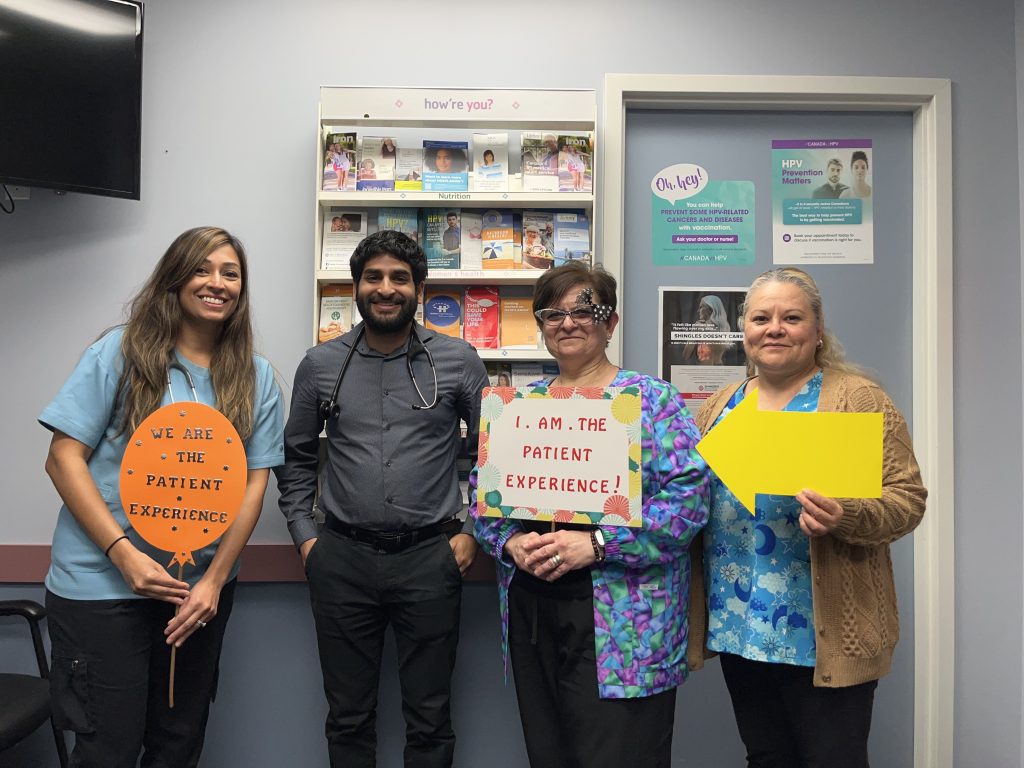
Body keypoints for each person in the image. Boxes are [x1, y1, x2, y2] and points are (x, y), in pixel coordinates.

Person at [39, 226, 285, 768]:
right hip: (101, 589)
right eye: (202, 269)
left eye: (231, 273)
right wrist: (122, 555)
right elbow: (63, 458)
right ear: (174, 278)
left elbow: (254, 485)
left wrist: (214, 581)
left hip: (194, 597)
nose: (217, 283)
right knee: (108, 749)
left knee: (177, 745)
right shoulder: (120, 353)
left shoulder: (256, 377)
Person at [687, 267, 927, 768]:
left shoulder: (856, 400)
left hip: (825, 635)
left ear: (818, 331)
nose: (774, 328)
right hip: (742, 629)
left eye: (791, 317)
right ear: (744, 330)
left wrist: (846, 515)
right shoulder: (718, 407)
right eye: (761, 317)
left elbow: (907, 500)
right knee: (767, 757)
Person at [473, 262, 710, 768]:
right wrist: (510, 544)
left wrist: (600, 545)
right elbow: (484, 493)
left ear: (612, 322)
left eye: (586, 311)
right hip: (535, 607)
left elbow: (689, 502)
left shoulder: (650, 401)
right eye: (553, 313)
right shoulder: (521, 404)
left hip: (623, 617)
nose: (568, 323)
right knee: (550, 752)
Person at [276, 230, 489, 768]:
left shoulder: (459, 362)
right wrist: (307, 541)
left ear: (419, 287)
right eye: (374, 277)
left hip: (430, 558)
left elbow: (496, 460)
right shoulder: (320, 365)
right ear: (356, 286)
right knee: (347, 716)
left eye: (399, 278)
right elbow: (297, 458)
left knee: (431, 717)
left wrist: (470, 533)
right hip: (341, 558)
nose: (386, 288)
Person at [684, 294, 733, 365]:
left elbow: (686, 355)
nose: (698, 311)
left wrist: (696, 330)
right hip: (712, 369)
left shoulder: (701, 328)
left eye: (701, 307)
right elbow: (686, 355)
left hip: (708, 371)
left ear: (710, 309)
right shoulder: (723, 327)